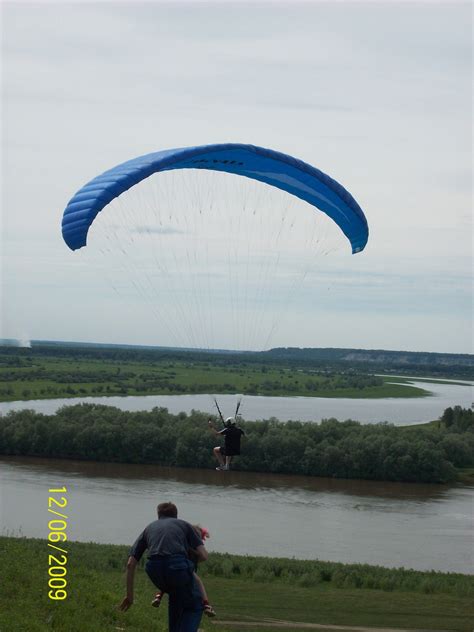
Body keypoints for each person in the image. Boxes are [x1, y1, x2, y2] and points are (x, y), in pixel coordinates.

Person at [119, 501, 208, 632]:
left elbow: (130, 564)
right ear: (176, 515)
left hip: (154, 570)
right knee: (194, 605)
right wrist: (188, 559)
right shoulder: (184, 525)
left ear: (158, 515)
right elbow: (204, 556)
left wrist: (130, 597)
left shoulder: (149, 528)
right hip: (177, 566)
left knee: (175, 598)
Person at [152, 525, 216, 618]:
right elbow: (203, 557)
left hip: (175, 567)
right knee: (198, 582)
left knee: (168, 581)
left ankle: (158, 596)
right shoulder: (195, 549)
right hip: (186, 569)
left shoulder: (183, 544)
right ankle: (206, 604)